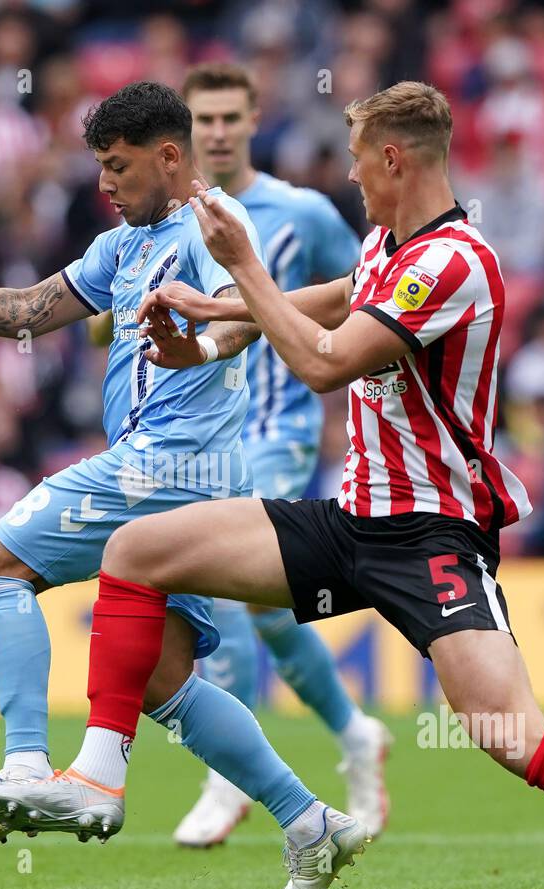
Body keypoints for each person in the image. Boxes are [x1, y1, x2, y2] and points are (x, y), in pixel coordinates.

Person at [0, 82, 544, 889]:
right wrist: (217, 313)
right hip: (352, 520)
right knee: (136, 552)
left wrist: (242, 271)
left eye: (359, 160)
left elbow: (329, 359)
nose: (353, 175)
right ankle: (104, 776)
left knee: (510, 735)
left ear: (395, 158)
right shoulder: (388, 245)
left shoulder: (454, 262)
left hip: (432, 538)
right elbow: (331, 302)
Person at [0, 81, 368, 889]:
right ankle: (309, 822)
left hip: (166, 466)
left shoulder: (213, 222)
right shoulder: (123, 244)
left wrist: (205, 344)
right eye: (100, 169)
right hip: (193, 475)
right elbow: (25, 310)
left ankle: (26, 763)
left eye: (118, 168)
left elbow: (241, 317)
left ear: (170, 157)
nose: (106, 185)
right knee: (162, 680)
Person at [173, 62, 390, 848]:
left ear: (255, 118)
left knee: (218, 577)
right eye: (205, 120)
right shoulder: (166, 220)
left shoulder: (301, 213)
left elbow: (364, 289)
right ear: (185, 130)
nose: (219, 131)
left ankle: (229, 773)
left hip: (280, 429)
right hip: (199, 439)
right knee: (266, 608)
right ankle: (355, 731)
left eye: (232, 116)